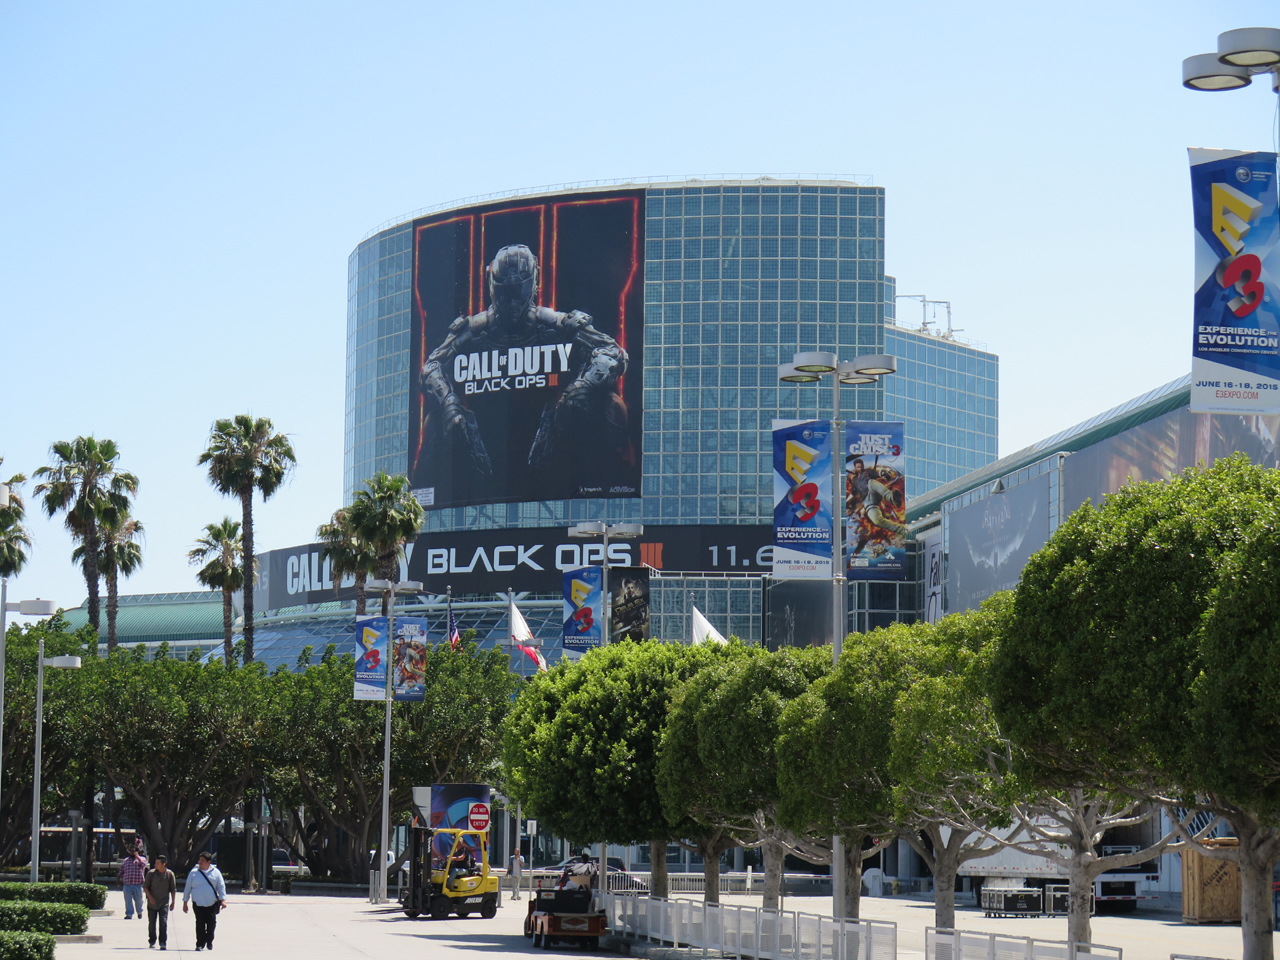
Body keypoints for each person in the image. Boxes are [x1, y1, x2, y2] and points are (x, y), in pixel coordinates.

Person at [417, 244, 631, 494]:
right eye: (506, 292)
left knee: (612, 405)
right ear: (493, 286)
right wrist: (448, 405)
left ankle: (613, 487)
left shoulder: (555, 324)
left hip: (555, 441)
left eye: (519, 290)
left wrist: (583, 386)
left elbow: (614, 352)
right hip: (487, 443)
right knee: (434, 420)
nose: (512, 302)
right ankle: (423, 499)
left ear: (533, 284)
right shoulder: (473, 330)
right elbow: (430, 368)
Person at [182, 853, 227, 951]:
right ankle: (200, 944)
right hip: (197, 903)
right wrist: (185, 902)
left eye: (203, 861)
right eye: (199, 860)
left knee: (211, 924)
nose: (200, 862)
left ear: (209, 862)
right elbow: (187, 887)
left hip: (212, 903)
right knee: (200, 923)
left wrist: (223, 900)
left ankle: (209, 940)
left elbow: (221, 886)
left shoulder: (216, 872)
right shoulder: (193, 873)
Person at [144, 855, 177, 950]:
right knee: (152, 923)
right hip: (152, 903)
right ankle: (152, 940)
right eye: (155, 863)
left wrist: (173, 902)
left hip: (164, 903)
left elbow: (173, 889)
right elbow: (145, 887)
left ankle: (163, 942)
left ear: (164, 864)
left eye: (158, 863)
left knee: (163, 922)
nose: (155, 865)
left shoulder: (169, 874)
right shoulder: (151, 874)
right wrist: (150, 898)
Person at [119, 843, 148, 920]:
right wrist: (118, 879)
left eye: (134, 851)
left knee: (139, 900)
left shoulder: (142, 859)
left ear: (137, 851)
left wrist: (137, 857)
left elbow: (143, 864)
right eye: (131, 851)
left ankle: (139, 912)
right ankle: (129, 914)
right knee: (128, 900)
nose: (132, 853)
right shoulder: (126, 860)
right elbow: (121, 870)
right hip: (127, 884)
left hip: (137, 884)